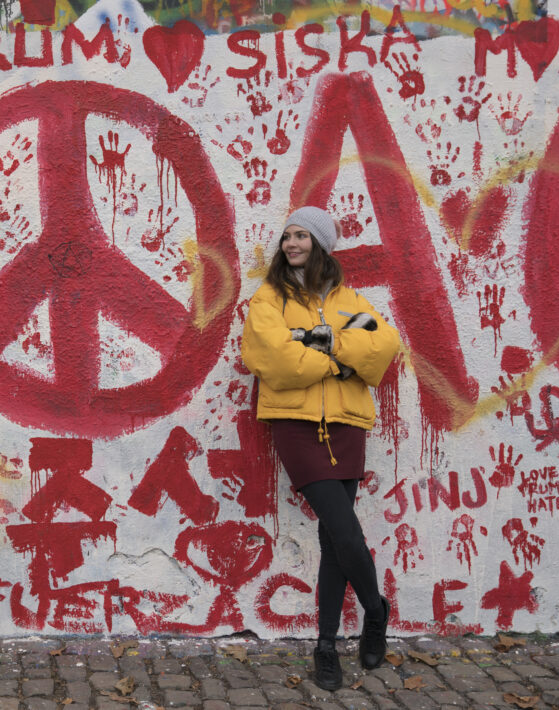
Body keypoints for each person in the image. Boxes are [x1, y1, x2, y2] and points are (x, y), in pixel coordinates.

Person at [240, 206, 400, 691]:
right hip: (297, 426)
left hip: (348, 425)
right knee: (345, 533)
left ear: (322, 245)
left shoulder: (352, 300)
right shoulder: (268, 299)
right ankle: (376, 611)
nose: (291, 244)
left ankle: (325, 645)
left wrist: (322, 343)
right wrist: (338, 359)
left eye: (302, 236)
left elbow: (384, 346)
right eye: (287, 236)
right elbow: (273, 358)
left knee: (335, 541)